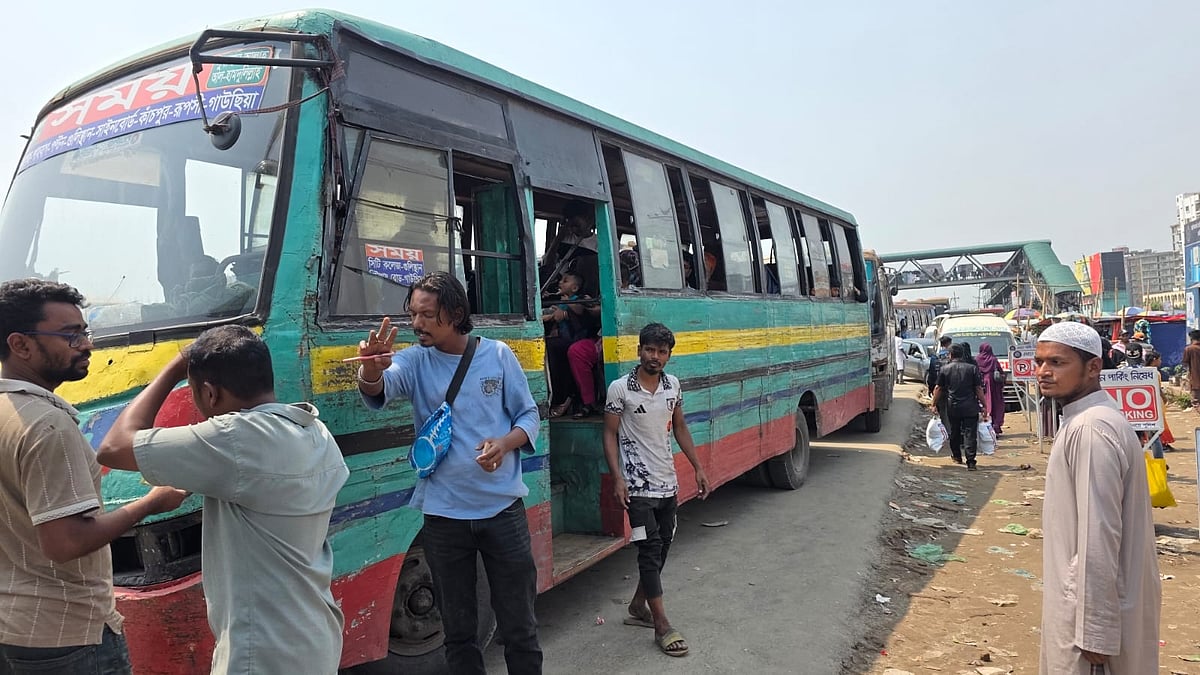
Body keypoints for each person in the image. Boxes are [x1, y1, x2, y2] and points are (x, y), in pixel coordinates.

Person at [96, 325, 349, 674]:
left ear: (210, 393)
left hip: (263, 652)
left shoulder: (236, 438)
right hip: (314, 633)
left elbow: (113, 448)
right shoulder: (311, 429)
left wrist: (176, 366)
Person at [355, 272, 542, 674]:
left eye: (426, 314)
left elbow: (529, 414)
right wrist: (371, 371)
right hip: (443, 518)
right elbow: (381, 387)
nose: (417, 324)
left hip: (502, 512)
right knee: (458, 633)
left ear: (456, 314)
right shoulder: (414, 360)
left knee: (520, 625)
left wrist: (504, 444)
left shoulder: (497, 355)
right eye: (412, 315)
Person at [0, 279, 187, 673]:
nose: (87, 345)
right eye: (70, 336)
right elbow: (66, 542)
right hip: (67, 634)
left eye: (85, 331)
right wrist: (151, 503)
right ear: (21, 345)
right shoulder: (48, 426)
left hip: (14, 625)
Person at [1034, 321, 1160, 674]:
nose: (1043, 372)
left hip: (1090, 619)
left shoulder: (1092, 429)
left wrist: (1096, 632)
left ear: (1093, 368)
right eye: (1040, 361)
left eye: (1057, 363)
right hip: (1086, 601)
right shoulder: (1086, 420)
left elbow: (1098, 533)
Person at [603, 323, 709, 658]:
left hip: (667, 485)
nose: (655, 357)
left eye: (662, 352)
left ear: (668, 356)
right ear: (639, 350)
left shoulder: (673, 386)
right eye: (650, 350)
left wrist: (698, 467)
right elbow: (609, 434)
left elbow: (679, 427)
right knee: (647, 549)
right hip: (636, 490)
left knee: (662, 547)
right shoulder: (621, 389)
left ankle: (639, 604)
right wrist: (617, 477)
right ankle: (662, 624)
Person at [930, 343, 988, 470]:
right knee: (970, 434)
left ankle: (956, 456)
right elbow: (978, 388)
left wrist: (933, 404)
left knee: (954, 432)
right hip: (970, 406)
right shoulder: (972, 368)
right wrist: (984, 405)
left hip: (953, 406)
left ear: (950, 355)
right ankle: (971, 461)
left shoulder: (945, 369)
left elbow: (938, 388)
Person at [975, 343, 1006, 436]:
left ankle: (985, 426)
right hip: (994, 386)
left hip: (981, 386)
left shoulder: (977, 359)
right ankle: (995, 426)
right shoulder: (993, 359)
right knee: (996, 405)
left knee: (984, 404)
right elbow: (1001, 372)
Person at [926, 336, 953, 429]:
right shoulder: (954, 356)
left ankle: (946, 432)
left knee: (942, 412)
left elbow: (932, 374)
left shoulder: (935, 357)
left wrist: (930, 388)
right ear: (950, 342)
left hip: (939, 389)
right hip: (954, 390)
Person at [1184, 329, 1200, 411]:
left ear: (1191, 338)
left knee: (1196, 402)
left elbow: (1185, 363)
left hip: (1195, 380)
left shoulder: (1189, 349)